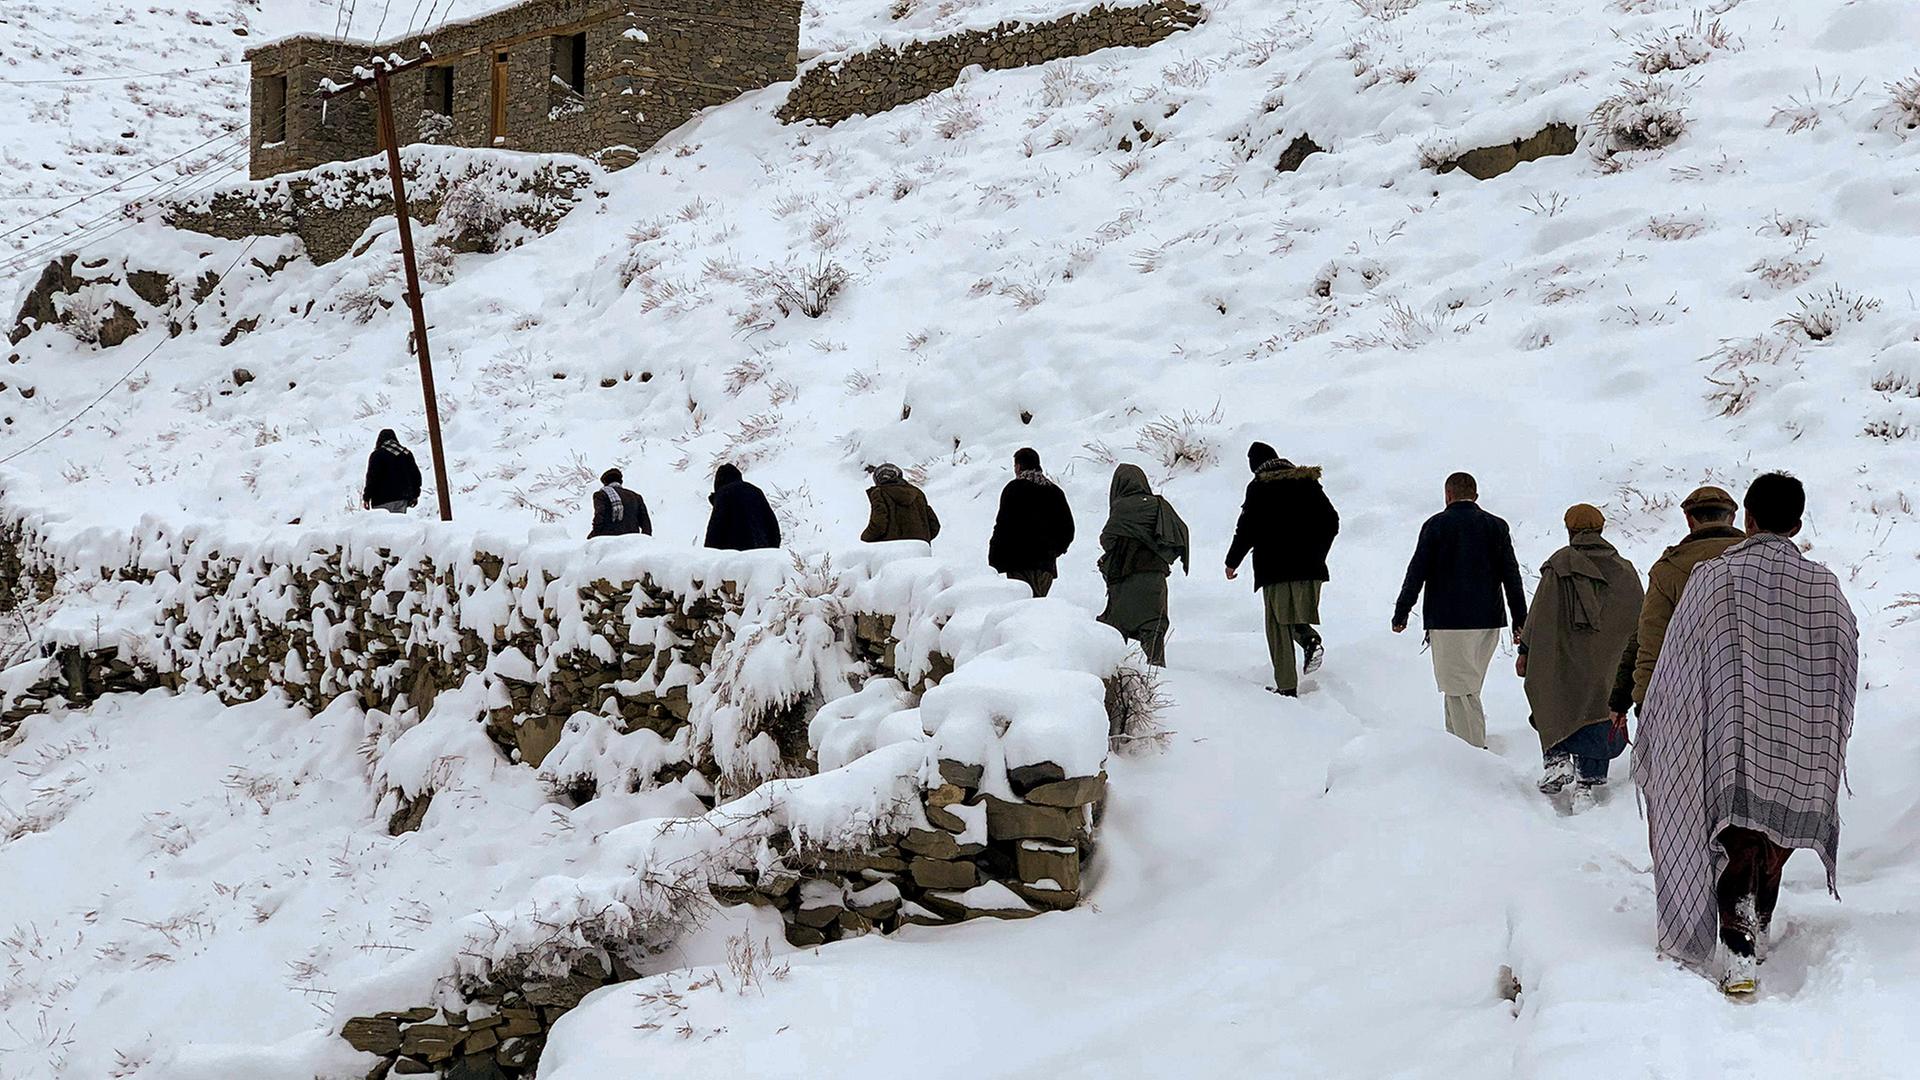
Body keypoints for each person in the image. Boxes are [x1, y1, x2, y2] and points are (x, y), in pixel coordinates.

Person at [1634, 473, 1857, 995]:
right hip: (1798, 732)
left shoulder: (1714, 577)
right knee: (1772, 835)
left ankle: (1740, 951)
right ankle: (1756, 924)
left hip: (1731, 732)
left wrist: (1666, 721)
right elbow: (1844, 659)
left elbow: (1678, 660)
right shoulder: (1824, 586)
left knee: (1738, 835)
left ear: (1749, 520)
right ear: (1796, 525)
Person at [1391, 472, 1527, 748]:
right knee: (1464, 689)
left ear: (1448, 495)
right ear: (1475, 496)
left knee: (1459, 690)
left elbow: (1416, 572)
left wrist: (1402, 610)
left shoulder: (1436, 526)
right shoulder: (1496, 526)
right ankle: (1455, 750)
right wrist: (1520, 621)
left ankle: (1474, 754)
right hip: (1488, 620)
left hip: (1448, 621)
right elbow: (1511, 575)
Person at [1517, 504, 1643, 804]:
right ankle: (1587, 782)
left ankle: (1557, 758)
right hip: (1609, 665)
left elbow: (1539, 616)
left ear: (1570, 530)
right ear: (1601, 529)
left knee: (1551, 695)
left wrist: (1526, 651)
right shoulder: (1625, 571)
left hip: (1565, 661)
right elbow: (1638, 618)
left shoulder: (1559, 566)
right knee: (1600, 708)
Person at [1609, 486, 1745, 723]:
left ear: (1689, 520)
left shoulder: (1668, 570)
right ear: (1732, 517)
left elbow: (1650, 641)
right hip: (1754, 696)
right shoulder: (1761, 561)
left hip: (1690, 703)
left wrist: (1640, 702)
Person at [1224, 442, 1339, 697]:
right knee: (1292, 613)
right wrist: (1317, 553)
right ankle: (1309, 640)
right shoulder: (1308, 483)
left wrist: (1232, 562)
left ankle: (1287, 687)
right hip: (1311, 570)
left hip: (1275, 569)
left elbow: (1247, 529)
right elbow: (1332, 521)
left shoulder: (1259, 487)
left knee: (1277, 626)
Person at [1097, 464, 1190, 666]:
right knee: (1153, 627)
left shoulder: (1122, 507)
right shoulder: (1159, 506)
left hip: (1125, 578)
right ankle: (1157, 669)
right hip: (1155, 577)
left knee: (1116, 626)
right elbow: (1180, 532)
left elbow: (1107, 539)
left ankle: (1116, 671)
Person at [987, 448, 1074, 597]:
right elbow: (1068, 529)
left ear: (1018, 466)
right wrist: (1054, 552)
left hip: (1017, 562)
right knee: (1037, 605)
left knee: (1021, 605)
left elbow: (1003, 526)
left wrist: (994, 558)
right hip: (1045, 565)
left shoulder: (1013, 489)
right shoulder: (1055, 492)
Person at [704, 463, 781, 551]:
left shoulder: (724, 494)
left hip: (736, 554)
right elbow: (772, 525)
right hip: (762, 551)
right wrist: (772, 550)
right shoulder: (756, 491)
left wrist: (709, 553)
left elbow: (715, 528)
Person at [860, 463, 940, 544]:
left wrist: (864, 538)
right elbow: (934, 525)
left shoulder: (879, 493)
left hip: (893, 547)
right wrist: (922, 539)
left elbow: (879, 523)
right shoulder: (917, 493)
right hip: (919, 547)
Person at [362, 428, 422, 513]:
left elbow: (372, 478)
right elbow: (415, 477)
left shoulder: (377, 455)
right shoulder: (406, 454)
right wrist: (415, 495)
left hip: (381, 500)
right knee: (398, 521)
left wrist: (367, 497)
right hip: (401, 498)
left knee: (384, 521)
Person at [589, 467, 652, 538]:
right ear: (621, 481)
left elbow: (599, 516)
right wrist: (644, 541)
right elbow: (645, 523)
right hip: (632, 539)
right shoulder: (636, 497)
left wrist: (593, 535)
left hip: (608, 539)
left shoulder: (601, 495)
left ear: (605, 483)